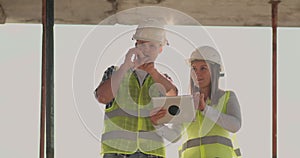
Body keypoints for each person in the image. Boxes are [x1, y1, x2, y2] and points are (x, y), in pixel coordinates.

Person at [94, 18, 181, 158]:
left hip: (151, 153)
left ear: (160, 49)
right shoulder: (114, 72)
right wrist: (125, 66)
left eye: (152, 46)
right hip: (117, 153)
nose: (146, 50)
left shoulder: (162, 79)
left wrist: (153, 72)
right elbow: (102, 97)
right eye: (142, 45)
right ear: (135, 45)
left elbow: (173, 96)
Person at [179, 46, 242, 158]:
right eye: (194, 69)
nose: (197, 73)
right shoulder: (187, 103)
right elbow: (174, 135)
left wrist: (205, 109)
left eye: (203, 68)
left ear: (215, 71)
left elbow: (235, 125)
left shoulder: (227, 97)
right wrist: (158, 123)